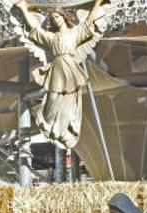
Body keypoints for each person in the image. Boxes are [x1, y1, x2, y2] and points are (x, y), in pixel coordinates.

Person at [12, 0, 110, 149]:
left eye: (57, 17)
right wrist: (24, 9)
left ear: (64, 17)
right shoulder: (52, 39)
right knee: (52, 98)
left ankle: (66, 132)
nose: (56, 20)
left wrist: (98, 3)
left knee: (69, 102)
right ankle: (48, 122)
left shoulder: (75, 33)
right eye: (53, 19)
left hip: (70, 68)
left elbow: (89, 21)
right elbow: (36, 30)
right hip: (58, 69)